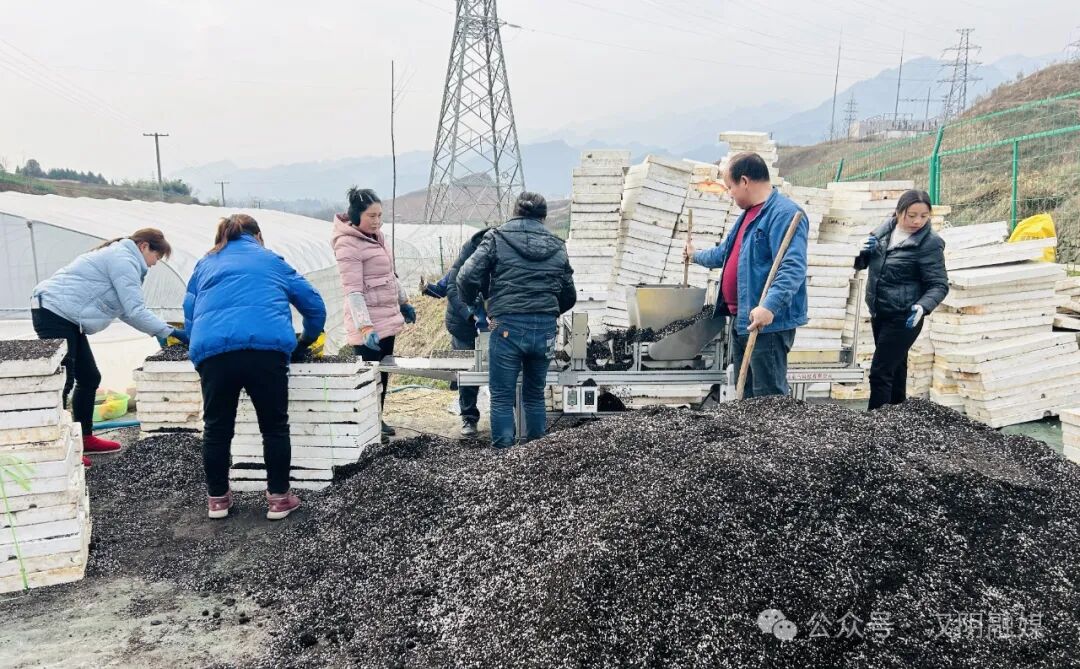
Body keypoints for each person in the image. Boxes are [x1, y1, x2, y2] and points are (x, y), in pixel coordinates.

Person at [184, 214, 326, 520]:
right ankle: (279, 499)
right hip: (265, 352)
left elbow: (189, 310)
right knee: (274, 427)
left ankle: (217, 500)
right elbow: (314, 304)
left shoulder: (205, 264)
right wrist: (307, 341)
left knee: (216, 429)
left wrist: (199, 344)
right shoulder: (271, 260)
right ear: (258, 235)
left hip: (214, 353)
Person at [31, 229, 188, 466]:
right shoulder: (123, 260)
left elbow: (126, 311)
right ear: (144, 246)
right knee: (62, 380)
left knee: (90, 377)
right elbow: (134, 310)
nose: (156, 263)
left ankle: (84, 437)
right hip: (54, 312)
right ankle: (56, 448)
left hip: (67, 317)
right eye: (157, 256)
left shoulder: (124, 260)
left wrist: (160, 330)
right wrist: (171, 332)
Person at [683, 152, 809, 398]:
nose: (730, 194)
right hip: (742, 320)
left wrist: (769, 307)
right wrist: (695, 255)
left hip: (765, 324)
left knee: (768, 397)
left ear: (744, 181)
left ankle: (773, 437)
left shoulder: (783, 214)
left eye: (730, 187)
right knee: (747, 394)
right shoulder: (747, 215)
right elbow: (724, 254)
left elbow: (792, 266)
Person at [457, 192, 576, 449]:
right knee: (534, 396)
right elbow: (569, 295)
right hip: (544, 329)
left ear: (515, 212)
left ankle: (504, 461)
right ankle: (536, 459)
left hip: (506, 326)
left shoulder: (497, 237)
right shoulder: (557, 245)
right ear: (543, 218)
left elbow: (466, 277)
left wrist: (478, 306)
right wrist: (549, 312)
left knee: (501, 397)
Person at [331, 188, 416, 438]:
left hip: (386, 318)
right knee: (368, 377)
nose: (377, 221)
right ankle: (366, 424)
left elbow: (389, 274)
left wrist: (403, 302)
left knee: (384, 373)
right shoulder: (347, 243)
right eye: (371, 216)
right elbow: (353, 292)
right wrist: (365, 327)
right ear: (355, 216)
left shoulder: (378, 237)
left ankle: (377, 418)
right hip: (367, 324)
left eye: (380, 215)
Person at [855, 189, 948, 411]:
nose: (917, 221)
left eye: (924, 216)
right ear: (898, 212)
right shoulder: (883, 231)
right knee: (895, 369)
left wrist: (922, 307)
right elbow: (861, 266)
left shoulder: (930, 243)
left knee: (880, 372)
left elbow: (939, 284)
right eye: (912, 215)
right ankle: (897, 418)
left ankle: (875, 426)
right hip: (880, 311)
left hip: (905, 316)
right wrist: (862, 253)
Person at [420, 228, 490, 437]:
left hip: (491, 326)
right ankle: (469, 417)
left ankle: (504, 412)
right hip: (464, 326)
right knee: (468, 371)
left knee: (498, 369)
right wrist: (473, 315)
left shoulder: (500, 261)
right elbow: (446, 288)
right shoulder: (462, 266)